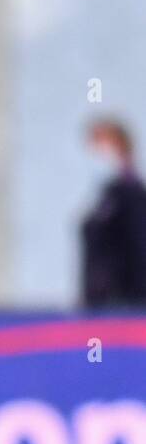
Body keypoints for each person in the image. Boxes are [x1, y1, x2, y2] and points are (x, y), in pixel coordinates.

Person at [81, 118, 146, 308]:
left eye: (99, 146)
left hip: (125, 306)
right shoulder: (106, 196)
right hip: (100, 306)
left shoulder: (131, 195)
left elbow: (139, 249)